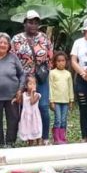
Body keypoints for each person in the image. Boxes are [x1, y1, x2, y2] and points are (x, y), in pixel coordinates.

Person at [11, 10, 53, 145]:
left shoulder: (44, 38)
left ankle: (44, 137)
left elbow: (50, 57)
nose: (33, 25)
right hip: (23, 78)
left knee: (43, 106)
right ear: (24, 23)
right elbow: (12, 58)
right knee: (24, 108)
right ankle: (27, 136)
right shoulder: (17, 39)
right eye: (30, 22)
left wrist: (45, 71)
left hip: (41, 78)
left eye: (36, 23)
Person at [49, 52, 74, 144]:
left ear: (66, 62)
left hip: (66, 101)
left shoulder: (68, 74)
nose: (61, 63)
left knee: (64, 120)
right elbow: (50, 87)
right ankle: (56, 138)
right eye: (58, 61)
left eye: (63, 61)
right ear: (55, 62)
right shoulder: (52, 73)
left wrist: (71, 100)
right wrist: (51, 100)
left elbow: (70, 87)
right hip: (56, 101)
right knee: (58, 119)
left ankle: (62, 138)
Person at [18, 75, 43, 146]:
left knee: (36, 130)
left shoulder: (37, 95)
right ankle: (30, 145)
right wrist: (16, 100)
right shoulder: (24, 95)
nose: (32, 85)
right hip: (27, 117)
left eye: (34, 84)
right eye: (30, 84)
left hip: (34, 116)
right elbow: (21, 102)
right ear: (26, 86)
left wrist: (32, 92)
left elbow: (32, 102)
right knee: (29, 130)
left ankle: (39, 143)